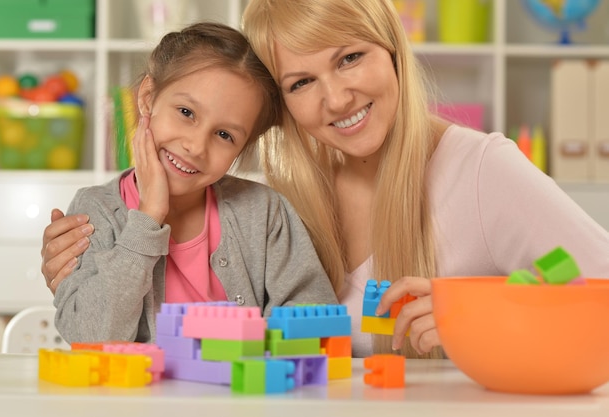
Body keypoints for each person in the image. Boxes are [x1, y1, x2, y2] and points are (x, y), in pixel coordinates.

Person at [41, 1, 609, 357]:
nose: (336, 98)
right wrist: (94, 264)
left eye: (349, 57)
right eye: (300, 82)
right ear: (280, 108)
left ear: (391, 49)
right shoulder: (287, 195)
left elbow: (595, 289)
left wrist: (483, 312)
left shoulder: (484, 170)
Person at [47, 21, 337, 344]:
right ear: (147, 97)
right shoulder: (96, 210)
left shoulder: (263, 213)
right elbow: (91, 338)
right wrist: (147, 218)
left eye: (225, 135)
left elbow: (316, 317)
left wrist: (247, 344)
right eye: (186, 112)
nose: (197, 146)